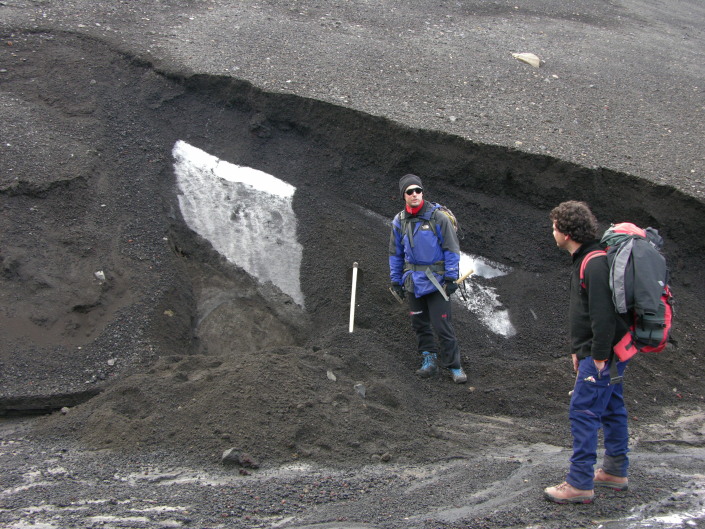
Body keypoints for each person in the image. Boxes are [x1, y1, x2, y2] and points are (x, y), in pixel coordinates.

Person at [545, 200, 631, 504]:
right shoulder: (589, 259)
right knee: (612, 409)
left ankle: (580, 483)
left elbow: (602, 315)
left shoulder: (593, 262)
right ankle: (615, 471)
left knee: (582, 412)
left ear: (567, 231)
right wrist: (577, 349)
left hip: (601, 357)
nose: (552, 231)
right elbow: (585, 314)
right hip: (605, 354)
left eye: (555, 226)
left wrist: (596, 357)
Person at [389, 174, 467, 384]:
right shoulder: (399, 221)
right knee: (420, 323)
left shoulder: (438, 218)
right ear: (403, 195)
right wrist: (396, 281)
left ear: (422, 192)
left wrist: (451, 277)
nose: (415, 194)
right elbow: (395, 253)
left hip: (437, 282)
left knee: (442, 325)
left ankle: (455, 366)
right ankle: (429, 360)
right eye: (409, 191)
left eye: (418, 190)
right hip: (413, 281)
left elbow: (451, 248)